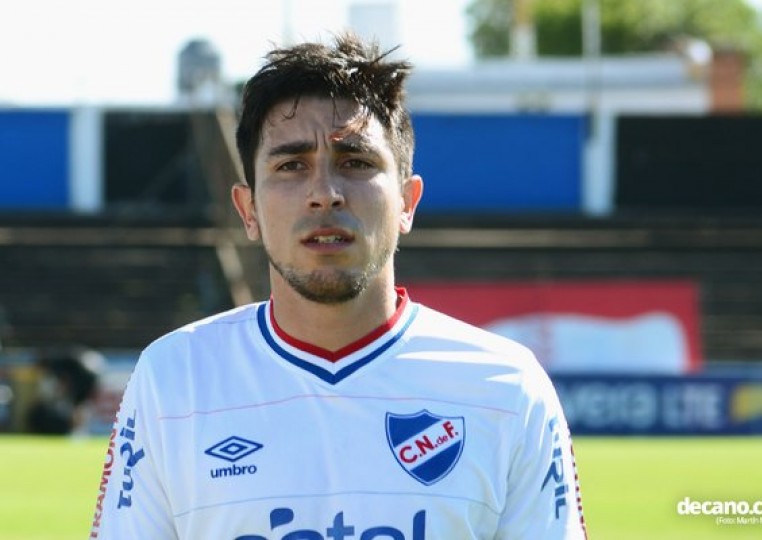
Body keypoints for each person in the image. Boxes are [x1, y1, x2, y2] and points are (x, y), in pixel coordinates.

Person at [90, 33, 587, 539]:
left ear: (407, 202)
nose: (324, 193)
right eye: (291, 166)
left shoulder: (506, 386)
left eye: (356, 162)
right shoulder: (173, 379)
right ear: (248, 209)